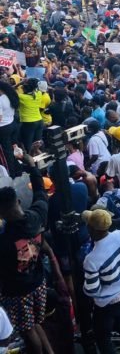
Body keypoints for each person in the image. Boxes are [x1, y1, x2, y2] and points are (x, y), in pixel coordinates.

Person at [0, 149, 51, 353]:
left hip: (17, 292)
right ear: (19, 202)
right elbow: (40, 192)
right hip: (38, 282)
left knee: (28, 330)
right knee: (36, 323)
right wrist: (32, 167)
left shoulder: (4, 241)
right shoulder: (37, 215)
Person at [81, 208, 120, 354]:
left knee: (102, 338)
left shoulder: (92, 259)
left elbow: (92, 290)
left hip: (107, 304)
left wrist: (85, 288)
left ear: (92, 229)